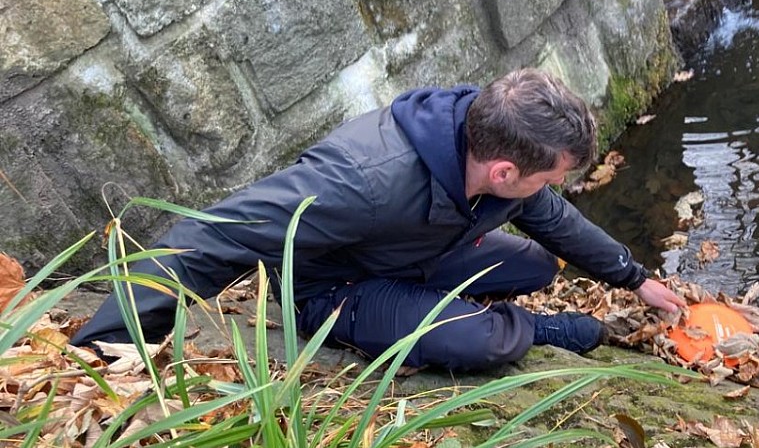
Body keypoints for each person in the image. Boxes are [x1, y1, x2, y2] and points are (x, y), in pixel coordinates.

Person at [72, 69, 685, 371]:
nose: (552, 190)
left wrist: (633, 278)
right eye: (549, 177)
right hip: (332, 289)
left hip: (411, 255)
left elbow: (551, 218)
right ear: (503, 172)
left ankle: (432, 302)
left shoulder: (492, 144)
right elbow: (216, 234)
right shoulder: (360, 182)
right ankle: (537, 330)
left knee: (531, 260)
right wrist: (108, 342)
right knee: (479, 340)